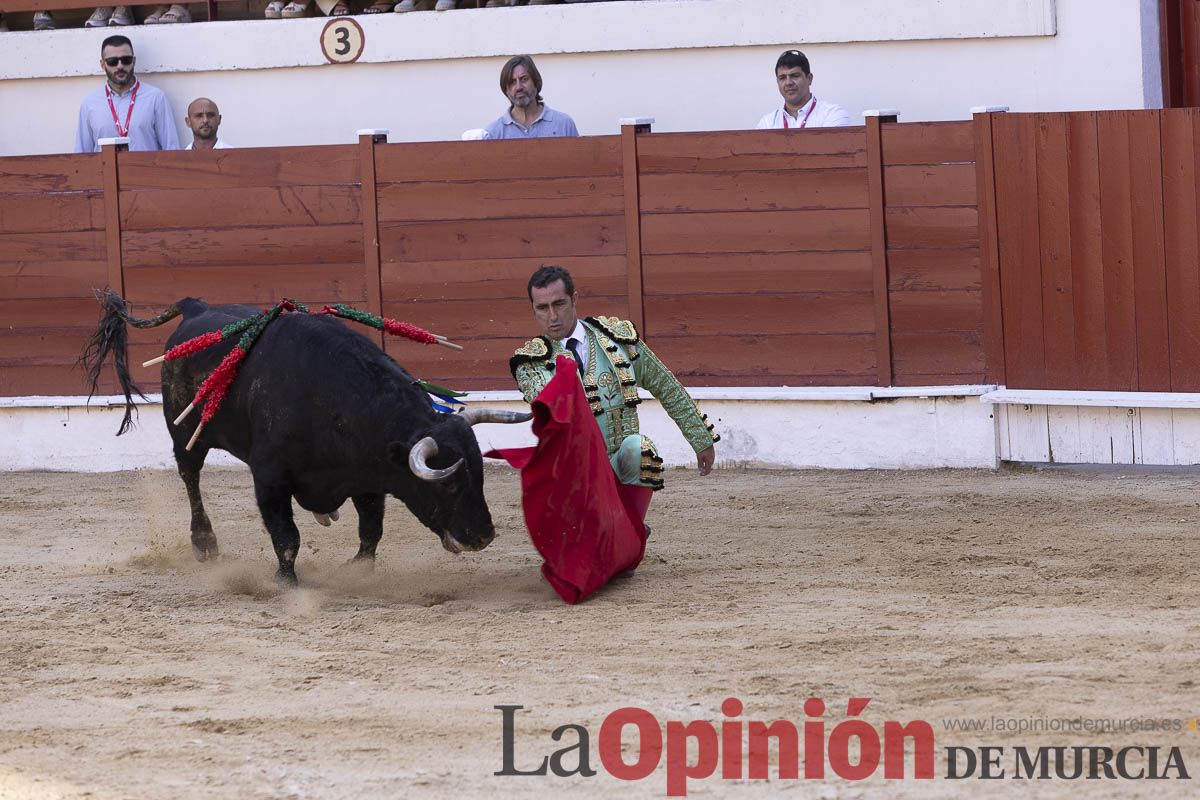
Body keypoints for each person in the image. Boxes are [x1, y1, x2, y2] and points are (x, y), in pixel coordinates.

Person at [511, 265, 718, 490]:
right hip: (574, 473)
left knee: (639, 450)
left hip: (621, 463)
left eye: (559, 304)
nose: (552, 316)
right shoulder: (530, 363)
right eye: (542, 308)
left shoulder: (617, 340)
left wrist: (701, 439)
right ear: (533, 309)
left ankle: (631, 523)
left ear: (574, 299)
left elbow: (665, 386)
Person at [75, 36, 180, 153]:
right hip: (105, 171)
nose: (120, 66)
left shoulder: (156, 98)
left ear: (134, 61)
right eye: (112, 61)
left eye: (126, 60)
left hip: (145, 171)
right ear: (103, 64)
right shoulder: (89, 103)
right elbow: (82, 154)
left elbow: (172, 149)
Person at [484, 55, 580, 140]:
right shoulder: (494, 133)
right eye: (512, 82)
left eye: (524, 79)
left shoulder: (564, 124)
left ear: (536, 81)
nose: (519, 87)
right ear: (506, 90)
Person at [755, 49, 851, 130]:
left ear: (809, 79)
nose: (788, 82)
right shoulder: (767, 123)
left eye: (795, 76)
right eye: (782, 78)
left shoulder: (833, 114)